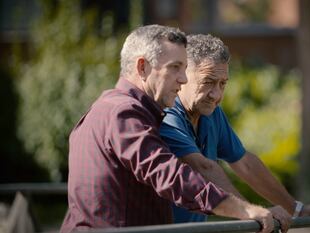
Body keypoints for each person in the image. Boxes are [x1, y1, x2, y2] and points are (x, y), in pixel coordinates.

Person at [60, 25, 281, 233]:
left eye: (184, 68)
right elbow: (170, 176)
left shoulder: (109, 106)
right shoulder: (123, 114)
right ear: (142, 67)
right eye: (175, 67)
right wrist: (245, 210)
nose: (183, 78)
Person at [159, 34, 310, 231]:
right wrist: (250, 211)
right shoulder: (166, 114)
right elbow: (203, 168)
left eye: (222, 83)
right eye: (208, 81)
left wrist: (295, 209)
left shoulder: (210, 113)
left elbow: (245, 163)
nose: (216, 95)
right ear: (183, 75)